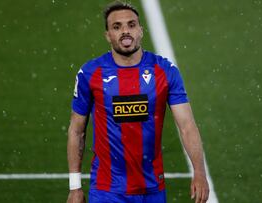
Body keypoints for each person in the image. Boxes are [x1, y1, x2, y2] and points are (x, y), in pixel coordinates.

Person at [67, 1, 209, 203]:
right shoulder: (90, 73)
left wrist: (200, 172)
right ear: (107, 35)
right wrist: (75, 187)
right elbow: (76, 130)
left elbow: (187, 126)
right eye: (117, 27)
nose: (125, 31)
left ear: (141, 30)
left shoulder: (165, 71)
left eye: (131, 25)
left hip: (152, 189)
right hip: (107, 190)